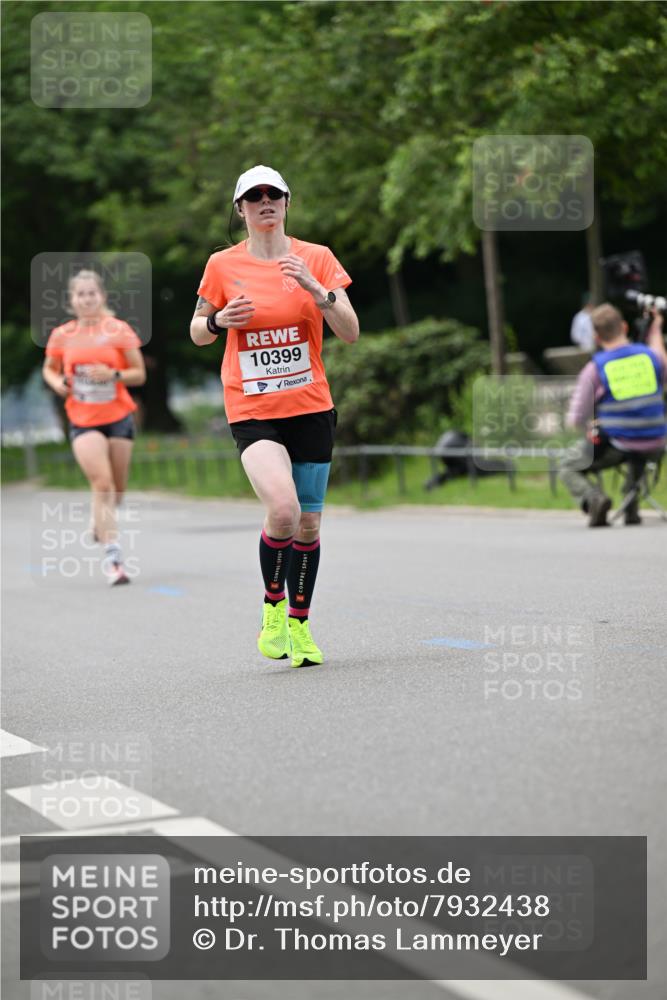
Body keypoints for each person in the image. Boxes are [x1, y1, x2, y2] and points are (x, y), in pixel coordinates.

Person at [190, 165, 359, 667]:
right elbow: (197, 330)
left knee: (307, 525)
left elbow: (349, 330)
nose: (266, 202)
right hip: (253, 408)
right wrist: (219, 320)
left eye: (274, 195)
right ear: (240, 209)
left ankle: (301, 627)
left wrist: (317, 290)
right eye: (254, 197)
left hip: (310, 407)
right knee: (283, 509)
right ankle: (273, 607)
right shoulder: (222, 265)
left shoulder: (317, 258)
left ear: (286, 203)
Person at [42, 269, 146, 583]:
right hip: (82, 419)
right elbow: (49, 369)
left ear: (101, 297)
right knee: (101, 484)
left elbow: (139, 374)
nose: (87, 299)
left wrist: (112, 375)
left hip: (118, 418)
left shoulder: (118, 330)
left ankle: (98, 522)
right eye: (80, 294)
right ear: (72, 301)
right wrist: (57, 381)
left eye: (92, 293)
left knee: (117, 489)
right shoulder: (62, 335)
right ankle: (115, 561)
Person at [559, 303, 666, 526]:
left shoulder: (596, 368)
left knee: (567, 465)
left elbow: (575, 418)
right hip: (657, 443)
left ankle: (594, 498)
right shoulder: (650, 357)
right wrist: (656, 326)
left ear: (597, 338)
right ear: (624, 327)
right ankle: (631, 508)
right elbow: (662, 360)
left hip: (619, 444)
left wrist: (589, 424)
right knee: (636, 444)